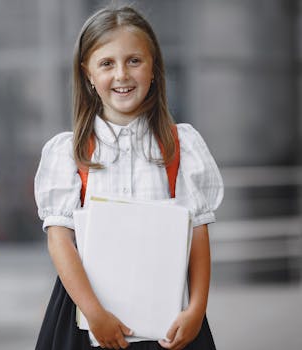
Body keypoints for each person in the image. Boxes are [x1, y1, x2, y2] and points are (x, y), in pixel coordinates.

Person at [34, 4, 223, 350]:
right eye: (107, 63)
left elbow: (197, 234)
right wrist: (94, 313)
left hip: (168, 315)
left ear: (154, 68)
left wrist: (196, 309)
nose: (121, 74)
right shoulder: (69, 152)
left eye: (134, 60)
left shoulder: (181, 145)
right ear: (88, 74)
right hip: (87, 316)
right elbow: (59, 241)